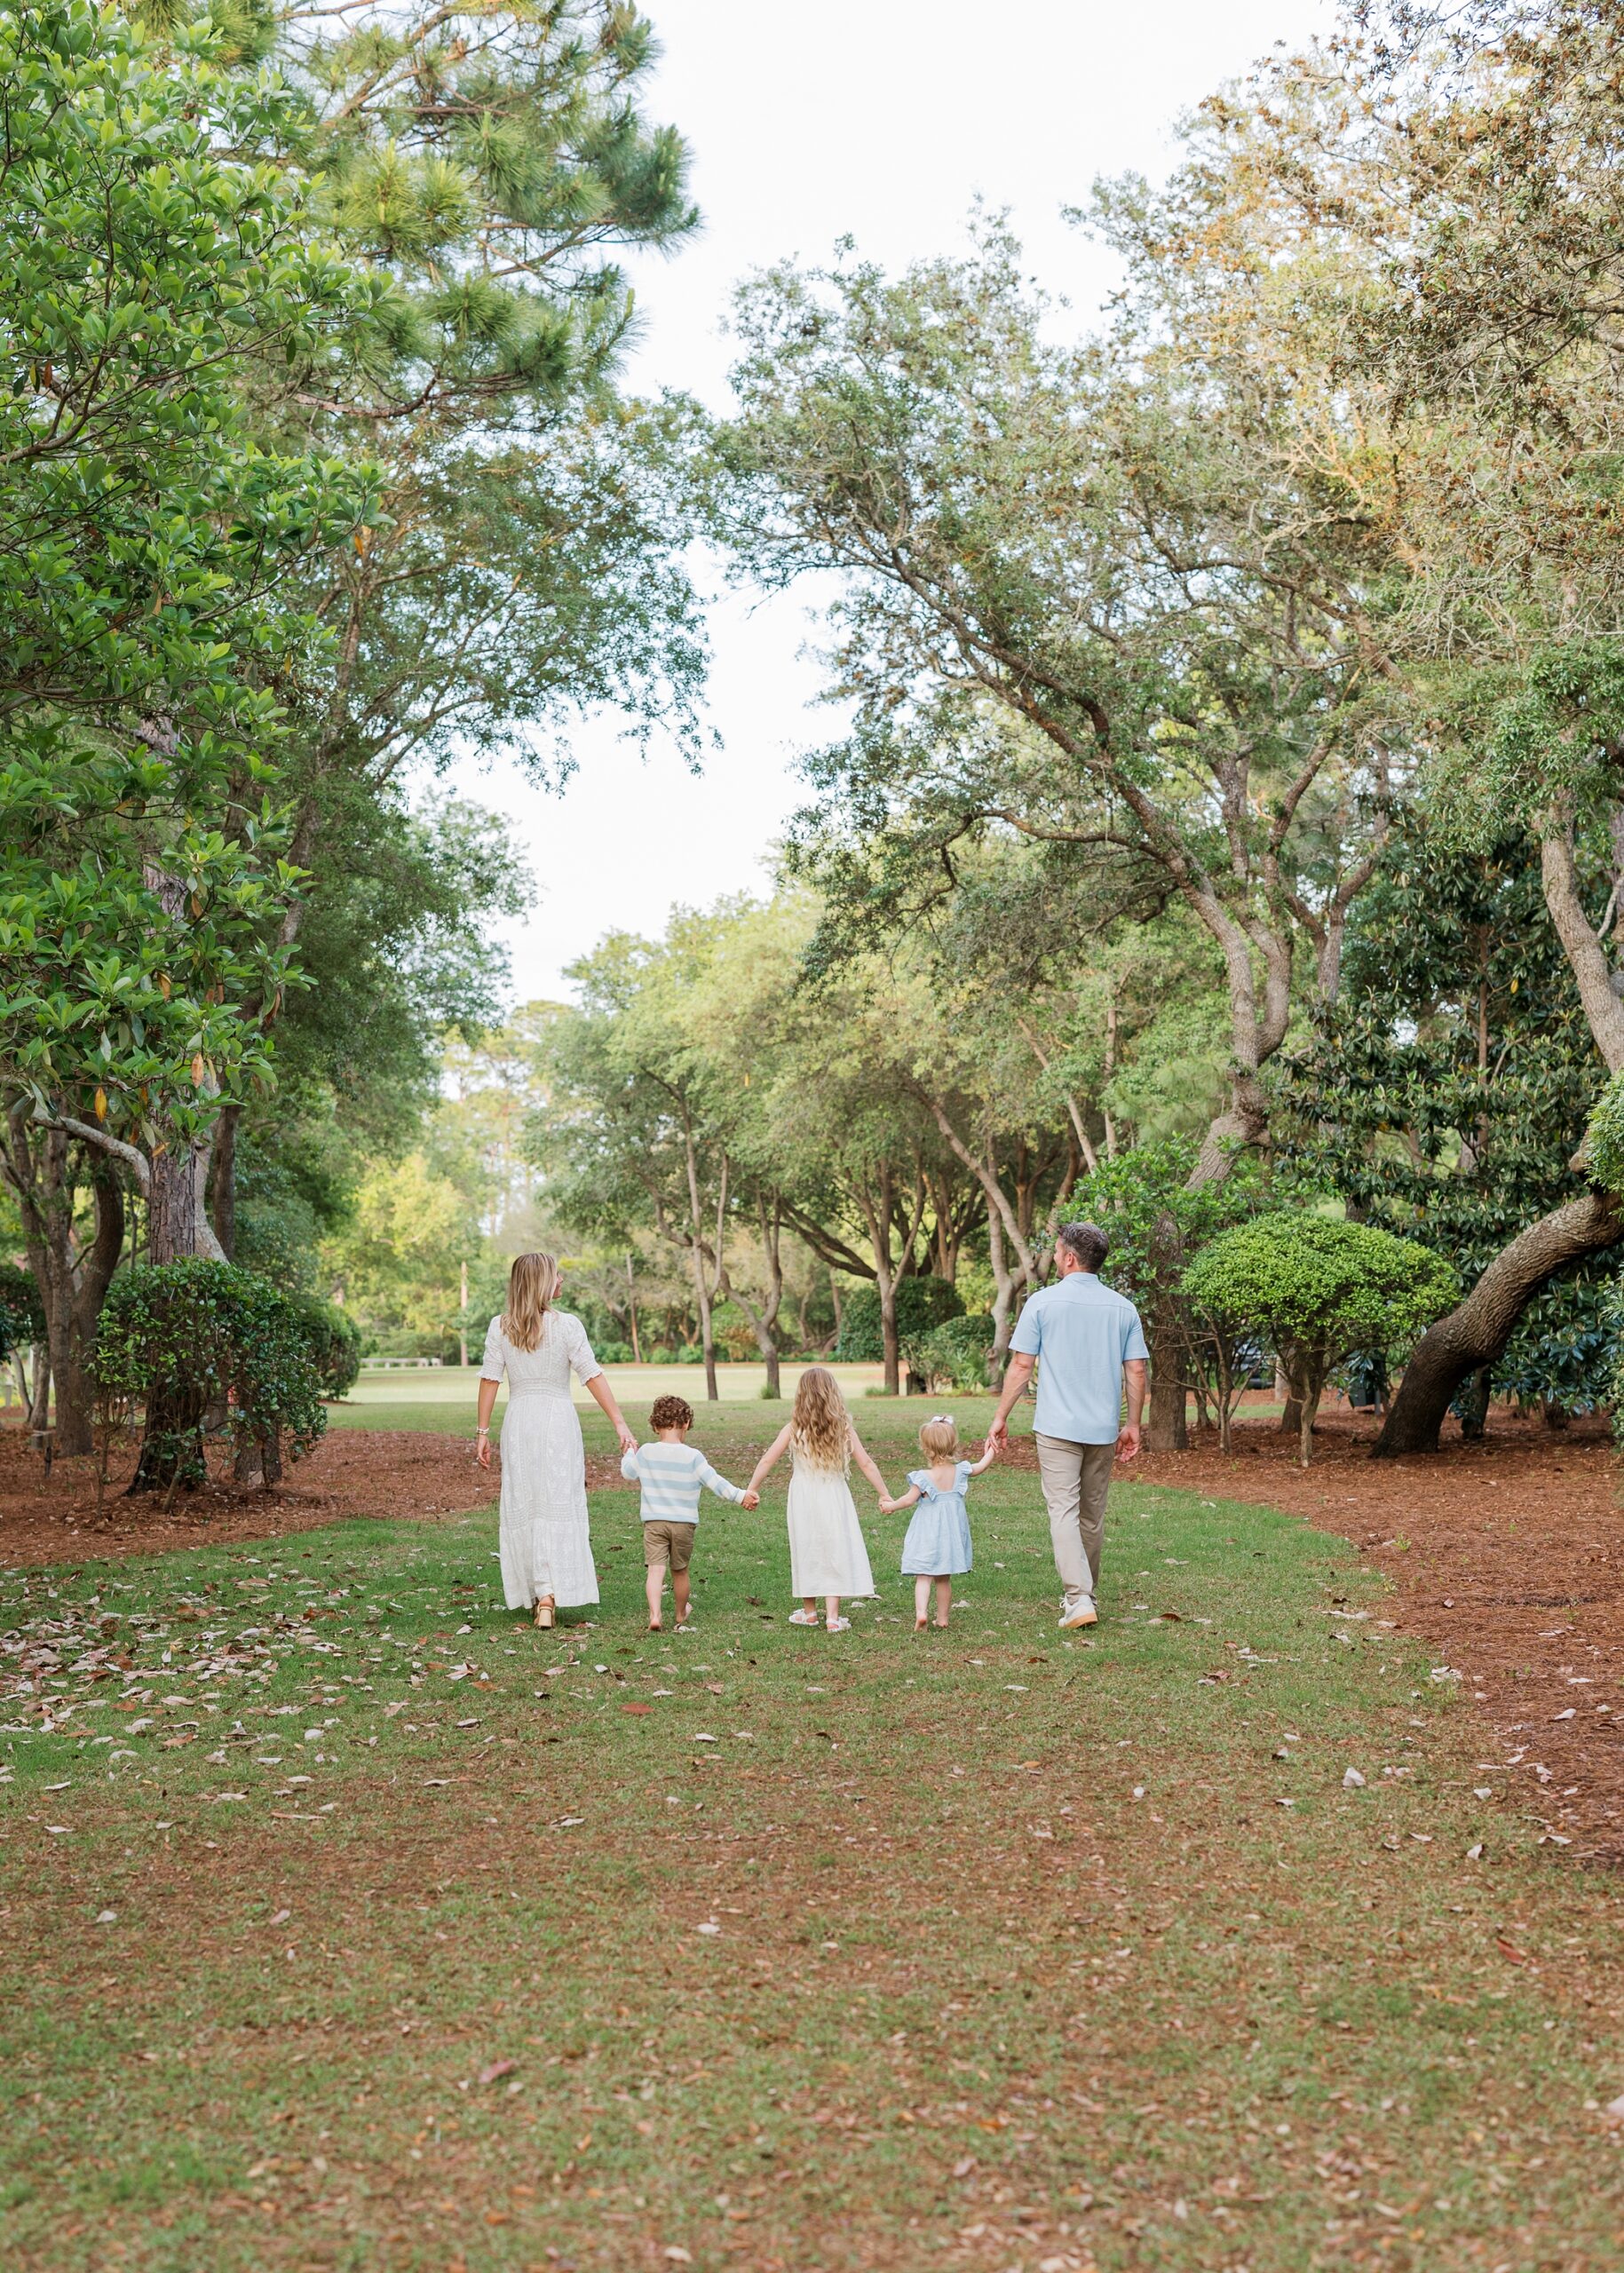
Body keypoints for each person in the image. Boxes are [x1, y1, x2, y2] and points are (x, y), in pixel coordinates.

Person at [986, 1220, 1147, 1631]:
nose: (1055, 1257)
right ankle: (1085, 1595)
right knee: (1091, 1515)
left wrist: (1001, 1416)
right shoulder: (1123, 1308)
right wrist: (1133, 1424)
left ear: (1071, 1258)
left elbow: (1021, 1365)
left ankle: (1078, 1599)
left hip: (1057, 1428)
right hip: (1102, 1429)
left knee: (1063, 1510)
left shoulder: (1042, 1303)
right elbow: (1136, 1370)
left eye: (1057, 1252)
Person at [475, 1252, 637, 1629]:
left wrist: (482, 1432)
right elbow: (591, 1375)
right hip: (558, 1422)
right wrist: (620, 1424)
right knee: (556, 1500)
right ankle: (548, 1595)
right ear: (540, 1282)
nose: (561, 1280)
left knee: (528, 1501)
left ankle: (541, 1593)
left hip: (519, 1422)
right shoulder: (567, 1326)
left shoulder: (501, 1326)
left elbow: (490, 1379)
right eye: (556, 1275)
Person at [744, 1365, 887, 1632]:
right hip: (834, 1495)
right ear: (833, 1394)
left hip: (803, 1496)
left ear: (802, 1396)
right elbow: (866, 1463)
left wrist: (751, 1490)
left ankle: (810, 1613)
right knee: (834, 1548)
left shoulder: (793, 1429)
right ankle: (832, 1617)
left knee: (807, 1548)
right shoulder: (843, 1429)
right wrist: (884, 1493)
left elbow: (767, 1460)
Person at [622, 1393, 759, 1632]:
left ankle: (655, 1614)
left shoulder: (645, 1453)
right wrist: (741, 1496)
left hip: (654, 1523)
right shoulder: (693, 1457)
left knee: (655, 1570)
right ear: (686, 1424)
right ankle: (680, 1612)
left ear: (655, 1425)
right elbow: (716, 1483)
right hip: (683, 1525)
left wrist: (630, 1452)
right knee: (680, 1570)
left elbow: (628, 1473)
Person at [881, 1414, 995, 1629]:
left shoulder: (923, 1477)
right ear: (953, 1444)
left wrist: (890, 1506)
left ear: (925, 1447)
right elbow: (981, 1465)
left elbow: (908, 1500)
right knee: (943, 1578)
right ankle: (942, 1618)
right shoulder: (961, 1470)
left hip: (927, 1533)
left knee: (923, 1575)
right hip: (950, 1535)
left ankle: (922, 1614)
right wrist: (992, 1448)